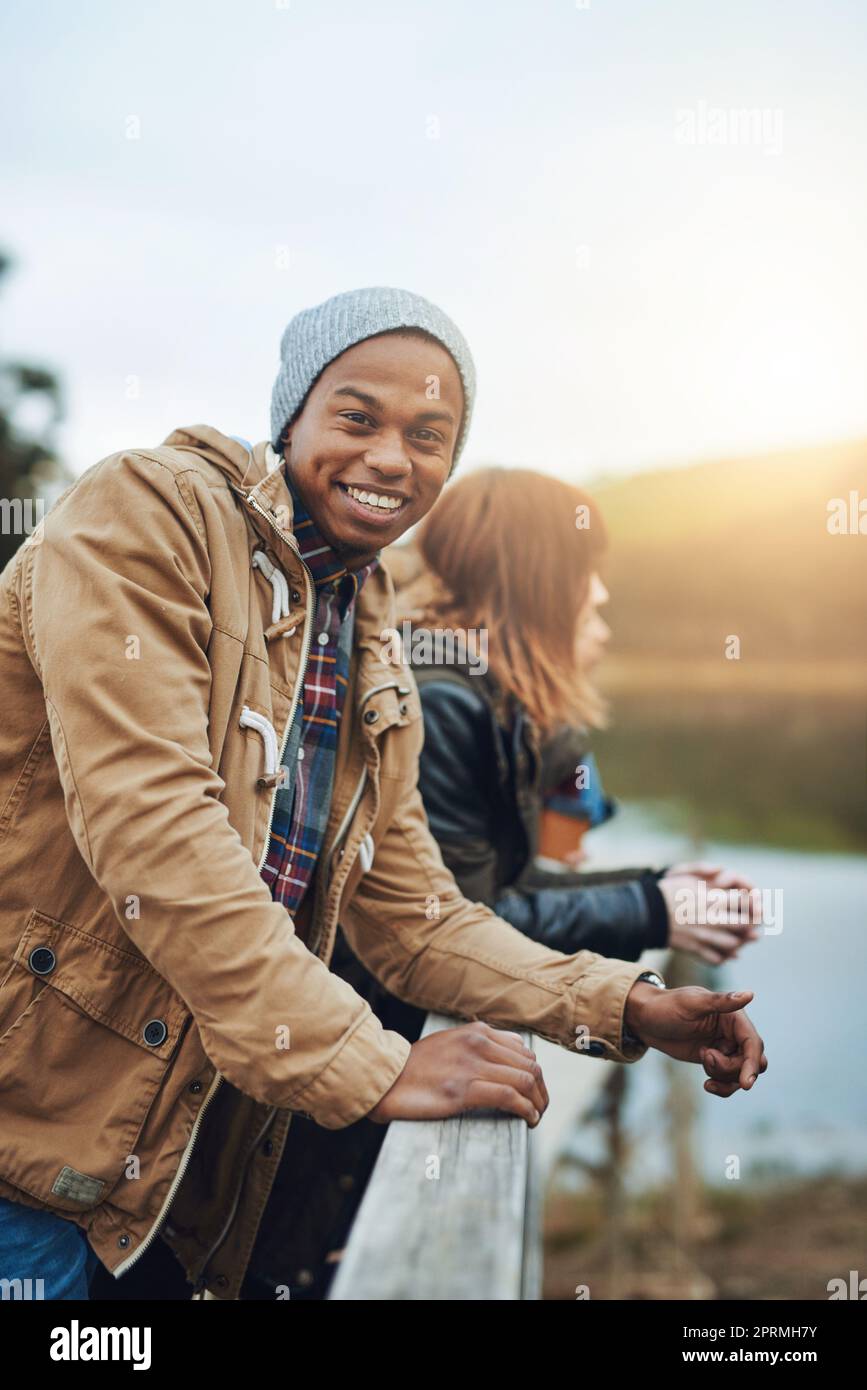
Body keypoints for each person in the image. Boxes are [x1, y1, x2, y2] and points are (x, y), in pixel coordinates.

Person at [0, 287, 767, 1302]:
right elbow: (155, 830)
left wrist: (621, 1001)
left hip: (177, 1177)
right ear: (293, 414)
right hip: (25, 1148)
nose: (392, 458)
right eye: (356, 418)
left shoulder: (369, 625)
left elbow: (415, 912)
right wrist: (373, 1063)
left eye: (431, 434)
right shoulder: (146, 511)